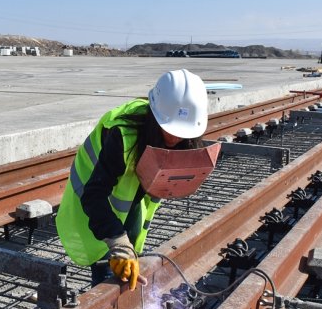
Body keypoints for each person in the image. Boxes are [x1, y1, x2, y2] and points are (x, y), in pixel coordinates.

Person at [56, 69, 209, 290]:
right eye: (170, 130)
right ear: (156, 118)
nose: (176, 138)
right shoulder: (123, 135)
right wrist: (118, 242)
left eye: (183, 132)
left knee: (131, 254)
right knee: (111, 264)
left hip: (128, 196)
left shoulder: (180, 131)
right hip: (93, 194)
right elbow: (94, 195)